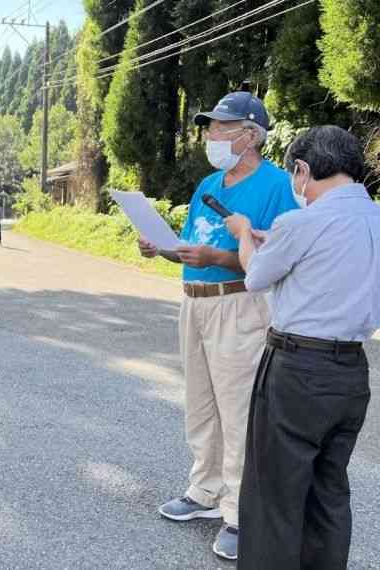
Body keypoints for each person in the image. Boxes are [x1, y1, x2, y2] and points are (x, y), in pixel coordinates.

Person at [138, 91, 298, 560]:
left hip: (240, 304)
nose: (209, 135)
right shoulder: (208, 182)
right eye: (209, 127)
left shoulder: (278, 186)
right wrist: (160, 247)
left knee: (238, 409)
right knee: (200, 402)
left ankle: (239, 511)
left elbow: (275, 258)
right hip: (195, 303)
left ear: (250, 135)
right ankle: (204, 490)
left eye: (219, 127)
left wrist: (220, 258)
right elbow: (191, 245)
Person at [224, 126, 379, 570]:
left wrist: (244, 237)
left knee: (273, 496)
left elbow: (255, 277)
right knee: (329, 494)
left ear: (303, 170)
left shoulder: (300, 222)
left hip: (296, 367)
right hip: (350, 372)